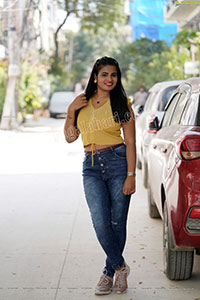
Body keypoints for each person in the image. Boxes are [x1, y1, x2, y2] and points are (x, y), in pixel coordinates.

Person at [64, 56, 136, 295]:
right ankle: (120, 267)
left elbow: (131, 142)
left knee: (117, 222)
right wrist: (70, 112)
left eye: (114, 75)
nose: (109, 79)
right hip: (91, 166)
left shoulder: (122, 104)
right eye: (105, 74)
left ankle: (107, 273)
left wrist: (131, 175)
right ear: (96, 76)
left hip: (117, 162)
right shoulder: (81, 103)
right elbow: (70, 137)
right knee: (99, 221)